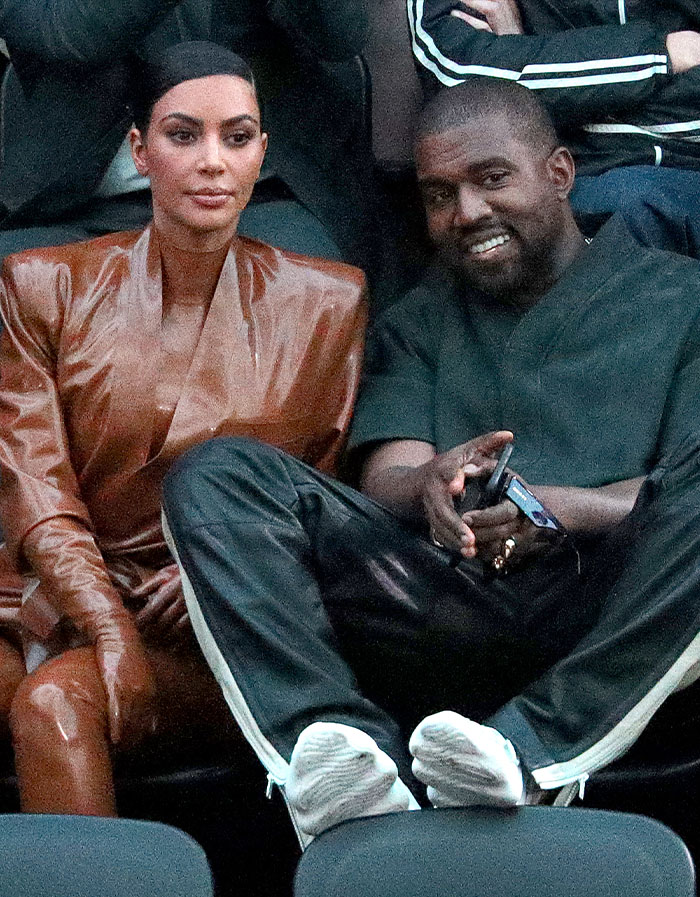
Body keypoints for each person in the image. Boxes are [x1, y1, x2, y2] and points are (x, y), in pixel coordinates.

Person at [161, 78, 700, 847]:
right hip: (439, 600)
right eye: (440, 195)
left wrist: (559, 507)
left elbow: (679, 490)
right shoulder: (419, 318)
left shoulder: (682, 298)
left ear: (559, 173)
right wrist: (431, 484)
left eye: (492, 179)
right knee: (219, 475)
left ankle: (533, 750)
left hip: (614, 605)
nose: (467, 212)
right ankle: (342, 765)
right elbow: (388, 474)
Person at [0, 41, 367, 815]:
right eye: (183, 135)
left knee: (57, 705)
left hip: (214, 620)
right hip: (57, 595)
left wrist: (213, 569)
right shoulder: (41, 285)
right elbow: (37, 490)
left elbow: (313, 498)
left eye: (238, 137)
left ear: (263, 151)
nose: (212, 162)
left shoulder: (327, 303)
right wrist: (107, 627)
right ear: (140, 151)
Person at [0, 0, 377, 277]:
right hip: (85, 208)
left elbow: (342, 36)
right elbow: (70, 35)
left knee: (304, 286)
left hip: (258, 199)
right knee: (17, 284)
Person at [407, 0, 700, 256]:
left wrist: (526, 63)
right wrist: (659, 56)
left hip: (681, 168)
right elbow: (460, 75)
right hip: (560, 178)